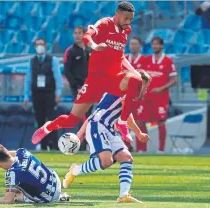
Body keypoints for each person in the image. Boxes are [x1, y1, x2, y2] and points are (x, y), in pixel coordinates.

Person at [32, 2, 147, 145]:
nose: (128, 22)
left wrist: (134, 71)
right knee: (71, 120)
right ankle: (48, 127)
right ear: (117, 15)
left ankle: (122, 122)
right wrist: (94, 46)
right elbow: (87, 36)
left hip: (114, 79)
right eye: (126, 18)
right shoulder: (105, 24)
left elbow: (120, 56)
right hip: (95, 81)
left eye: (131, 19)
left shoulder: (126, 30)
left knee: (136, 80)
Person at [62, 71, 150, 203]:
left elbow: (126, 114)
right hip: (98, 126)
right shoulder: (125, 90)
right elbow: (96, 116)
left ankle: (123, 195)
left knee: (127, 158)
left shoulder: (123, 91)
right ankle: (75, 170)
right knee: (106, 161)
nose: (143, 89)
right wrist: (81, 133)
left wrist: (138, 133)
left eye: (145, 86)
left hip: (107, 128)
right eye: (143, 85)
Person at [0, 144, 70, 204]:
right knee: (23, 183)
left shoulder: (12, 174)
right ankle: (58, 194)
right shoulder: (23, 152)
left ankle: (59, 197)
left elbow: (8, 200)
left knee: (18, 195)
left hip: (49, 197)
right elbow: (11, 154)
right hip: (55, 180)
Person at [133, 37, 177, 153]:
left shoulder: (168, 61)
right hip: (146, 97)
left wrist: (161, 88)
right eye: (153, 44)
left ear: (162, 46)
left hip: (161, 98)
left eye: (157, 44)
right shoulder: (146, 60)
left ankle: (161, 149)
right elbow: (139, 76)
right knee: (140, 121)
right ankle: (142, 149)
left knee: (161, 122)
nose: (155, 46)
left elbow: (174, 80)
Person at [23, 38, 63, 151]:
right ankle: (43, 145)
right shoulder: (32, 61)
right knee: (39, 121)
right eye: (37, 45)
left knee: (51, 120)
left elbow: (58, 77)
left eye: (41, 44)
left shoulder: (52, 60)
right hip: (37, 94)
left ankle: (54, 145)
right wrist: (26, 95)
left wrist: (58, 93)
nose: (39, 46)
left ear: (45, 46)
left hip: (49, 93)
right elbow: (28, 79)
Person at [63, 26, 92, 150]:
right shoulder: (71, 51)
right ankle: (80, 143)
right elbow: (67, 71)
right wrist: (76, 86)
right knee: (81, 115)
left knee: (89, 114)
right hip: (79, 88)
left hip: (90, 87)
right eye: (75, 33)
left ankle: (87, 142)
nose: (77, 35)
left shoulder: (89, 50)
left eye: (79, 33)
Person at [125, 36, 146, 152]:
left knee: (140, 121)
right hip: (125, 96)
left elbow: (147, 79)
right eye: (131, 44)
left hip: (139, 96)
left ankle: (142, 148)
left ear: (140, 46)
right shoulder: (125, 59)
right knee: (123, 121)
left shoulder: (145, 60)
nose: (133, 46)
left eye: (135, 44)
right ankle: (127, 147)